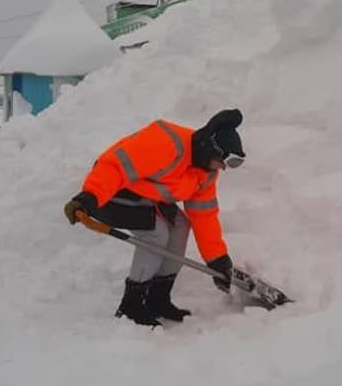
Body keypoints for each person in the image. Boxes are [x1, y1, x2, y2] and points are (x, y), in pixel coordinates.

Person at [64, 108, 246, 326]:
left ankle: (158, 299)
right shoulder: (166, 144)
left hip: (146, 197)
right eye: (222, 162)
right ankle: (131, 305)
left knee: (180, 226)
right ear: (209, 148)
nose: (222, 169)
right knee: (157, 234)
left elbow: (204, 216)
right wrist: (88, 197)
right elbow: (114, 166)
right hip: (109, 192)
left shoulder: (205, 173)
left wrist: (217, 260)